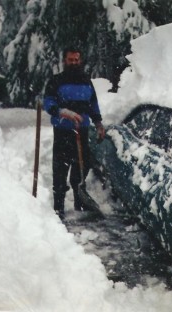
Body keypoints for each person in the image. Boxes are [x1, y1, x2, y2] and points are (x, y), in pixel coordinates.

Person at [43, 47, 105, 219]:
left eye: (77, 60)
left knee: (80, 167)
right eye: (71, 60)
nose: (74, 63)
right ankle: (59, 207)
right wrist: (63, 112)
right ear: (65, 61)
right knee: (60, 169)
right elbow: (48, 102)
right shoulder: (56, 81)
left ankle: (80, 202)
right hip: (63, 131)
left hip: (82, 130)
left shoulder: (86, 81)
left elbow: (93, 104)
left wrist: (98, 123)